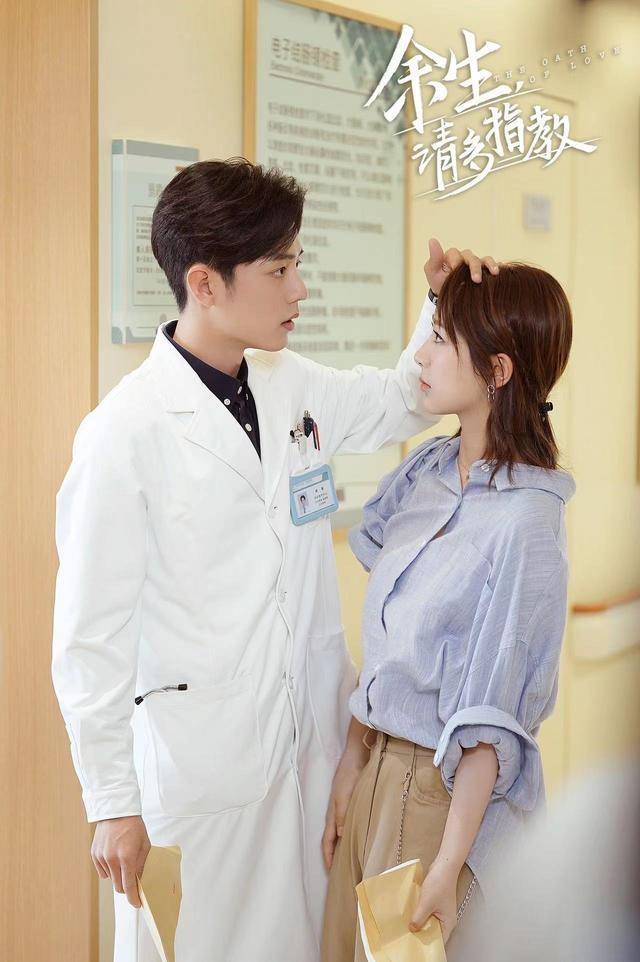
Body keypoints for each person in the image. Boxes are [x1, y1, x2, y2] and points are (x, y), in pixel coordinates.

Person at [50, 156, 497, 962]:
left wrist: (440, 304)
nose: (300, 288)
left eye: (298, 264)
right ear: (206, 283)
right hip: (203, 772)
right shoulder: (125, 434)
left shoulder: (289, 385)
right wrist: (112, 802)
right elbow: (90, 637)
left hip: (312, 754)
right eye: (279, 269)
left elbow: (400, 398)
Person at [321, 260, 576, 962]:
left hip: (439, 805)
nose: (422, 357)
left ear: (497, 371)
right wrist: (351, 765)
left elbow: (491, 726)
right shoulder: (428, 472)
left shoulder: (526, 523)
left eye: (440, 340)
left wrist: (447, 865)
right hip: (373, 776)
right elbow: (391, 644)